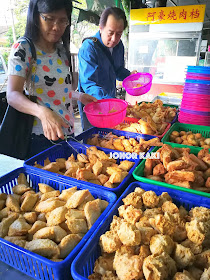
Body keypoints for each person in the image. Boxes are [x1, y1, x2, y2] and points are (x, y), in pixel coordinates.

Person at [7, 0, 96, 158]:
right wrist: (42, 112)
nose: (56, 27)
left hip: (68, 133)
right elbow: (12, 95)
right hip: (40, 138)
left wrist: (79, 96)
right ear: (36, 16)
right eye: (49, 18)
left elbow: (57, 89)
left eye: (63, 20)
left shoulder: (61, 50)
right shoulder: (24, 48)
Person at [77, 6, 137, 131]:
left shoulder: (119, 45)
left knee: (110, 136)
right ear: (101, 27)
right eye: (110, 33)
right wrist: (109, 102)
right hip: (93, 104)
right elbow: (89, 85)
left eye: (119, 34)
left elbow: (118, 70)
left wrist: (130, 77)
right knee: (93, 139)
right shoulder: (89, 48)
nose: (114, 39)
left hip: (110, 99)